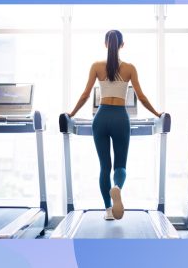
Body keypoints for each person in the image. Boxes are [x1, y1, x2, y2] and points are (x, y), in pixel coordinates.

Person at [68, 30, 162, 220]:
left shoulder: (96, 66)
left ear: (105, 44)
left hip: (101, 117)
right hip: (120, 117)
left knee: (104, 167)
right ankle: (117, 187)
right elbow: (141, 97)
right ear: (122, 45)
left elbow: (86, 95)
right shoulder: (129, 68)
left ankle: (109, 211)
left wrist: (71, 114)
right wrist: (158, 113)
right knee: (120, 165)